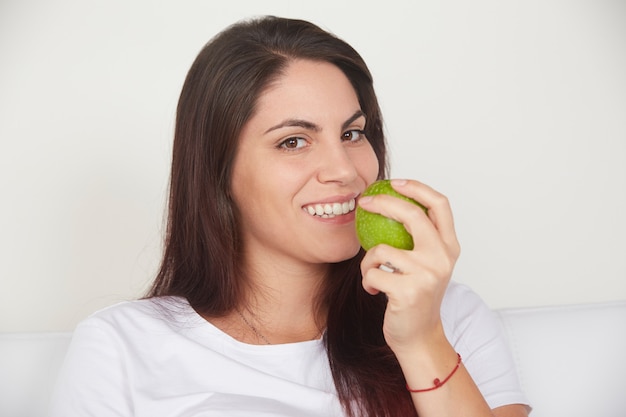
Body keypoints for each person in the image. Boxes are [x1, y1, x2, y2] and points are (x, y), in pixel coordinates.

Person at [49, 16, 530, 417]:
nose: (345, 171)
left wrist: (422, 341)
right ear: (219, 173)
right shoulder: (120, 347)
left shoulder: (448, 318)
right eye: (293, 141)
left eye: (353, 133)